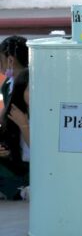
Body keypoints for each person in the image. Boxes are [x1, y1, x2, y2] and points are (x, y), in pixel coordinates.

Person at [0, 36, 30, 200]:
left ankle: (19, 190)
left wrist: (24, 125)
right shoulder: (8, 85)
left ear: (10, 60)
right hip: (16, 153)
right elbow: (4, 117)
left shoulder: (31, 87)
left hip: (30, 160)